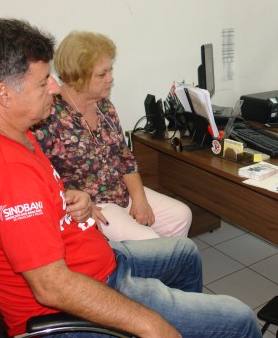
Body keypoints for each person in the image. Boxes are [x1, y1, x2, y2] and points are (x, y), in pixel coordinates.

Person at [0, 18, 262, 338]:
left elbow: (34, 209)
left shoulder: (5, 137)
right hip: (74, 302)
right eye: (43, 82)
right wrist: (151, 323)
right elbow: (52, 288)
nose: (54, 88)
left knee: (185, 255)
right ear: (3, 95)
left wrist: (73, 199)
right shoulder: (6, 172)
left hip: (93, 261)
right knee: (239, 318)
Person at [33, 31, 191, 241]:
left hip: (120, 191)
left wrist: (140, 198)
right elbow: (39, 177)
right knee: (148, 240)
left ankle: (167, 270)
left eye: (110, 70)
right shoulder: (48, 115)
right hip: (93, 204)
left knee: (181, 216)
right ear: (77, 77)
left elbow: (124, 157)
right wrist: (77, 205)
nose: (111, 78)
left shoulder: (104, 106)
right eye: (102, 74)